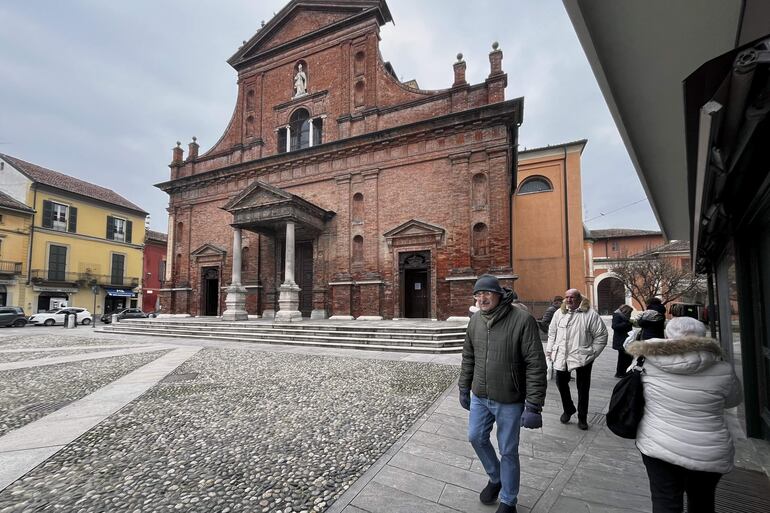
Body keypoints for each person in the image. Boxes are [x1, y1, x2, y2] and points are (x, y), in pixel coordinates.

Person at [625, 316, 742, 513]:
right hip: (708, 449)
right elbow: (733, 401)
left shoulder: (646, 361)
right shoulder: (722, 368)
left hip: (659, 443)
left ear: (667, 335)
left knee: (665, 501)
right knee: (703, 503)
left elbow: (631, 389)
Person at [459, 274, 547, 513]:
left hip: (509, 398)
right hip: (480, 395)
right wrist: (464, 388)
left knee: (508, 450)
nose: (482, 298)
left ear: (499, 294)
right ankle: (496, 477)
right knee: (475, 437)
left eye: (487, 292)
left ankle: (509, 500)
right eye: (478, 294)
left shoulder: (522, 320)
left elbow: (536, 363)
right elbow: (469, 357)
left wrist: (534, 405)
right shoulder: (475, 320)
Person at [546, 289, 607, 430]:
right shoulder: (559, 313)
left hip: (583, 357)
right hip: (562, 355)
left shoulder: (590, 315)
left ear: (579, 299)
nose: (568, 300)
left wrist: (592, 354)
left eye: (572, 297)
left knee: (583, 388)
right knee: (561, 383)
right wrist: (550, 349)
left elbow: (601, 336)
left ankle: (582, 417)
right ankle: (568, 409)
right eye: (567, 297)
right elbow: (552, 332)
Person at [611, 304, 634, 377]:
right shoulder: (617, 316)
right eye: (629, 312)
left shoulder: (622, 316)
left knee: (625, 357)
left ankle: (623, 372)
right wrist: (627, 323)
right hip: (620, 340)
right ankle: (620, 373)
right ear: (625, 311)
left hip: (624, 339)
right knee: (623, 357)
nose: (630, 314)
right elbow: (615, 326)